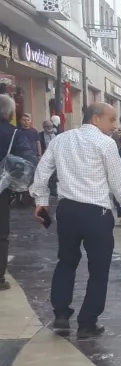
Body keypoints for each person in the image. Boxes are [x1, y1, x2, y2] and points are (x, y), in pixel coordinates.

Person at [27, 103, 121, 336]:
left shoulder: (60, 140)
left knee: (66, 261)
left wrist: (41, 201)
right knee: (98, 269)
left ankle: (61, 314)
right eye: (112, 119)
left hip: (67, 211)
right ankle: (87, 322)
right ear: (96, 119)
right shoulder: (106, 144)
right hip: (97, 213)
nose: (115, 126)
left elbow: (42, 172)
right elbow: (117, 182)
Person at [0, 95, 39, 291]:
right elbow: (28, 160)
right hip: (2, 189)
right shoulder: (14, 133)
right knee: (1, 233)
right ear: (9, 113)